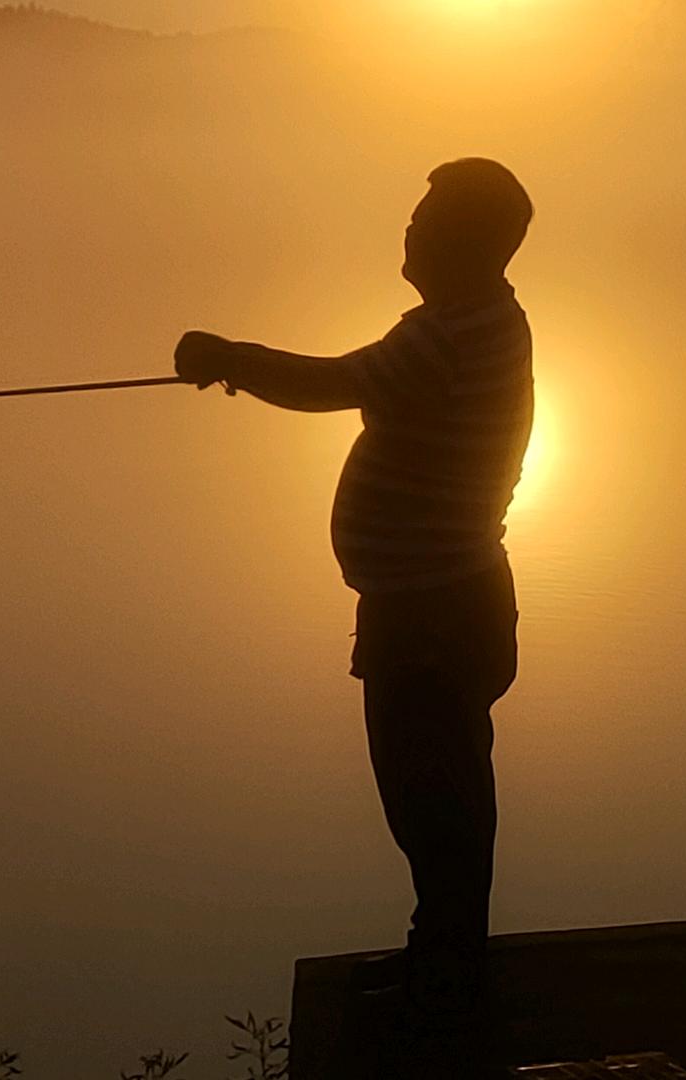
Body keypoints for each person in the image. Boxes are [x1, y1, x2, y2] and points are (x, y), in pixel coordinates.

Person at [174, 158, 534, 1071]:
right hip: (445, 602)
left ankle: (444, 992)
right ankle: (439, 961)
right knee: (441, 802)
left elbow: (332, 384)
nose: (409, 230)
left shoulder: (450, 335)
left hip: (430, 615)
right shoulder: (474, 321)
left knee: (434, 802)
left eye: (425, 218)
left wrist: (231, 359)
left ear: (463, 241)